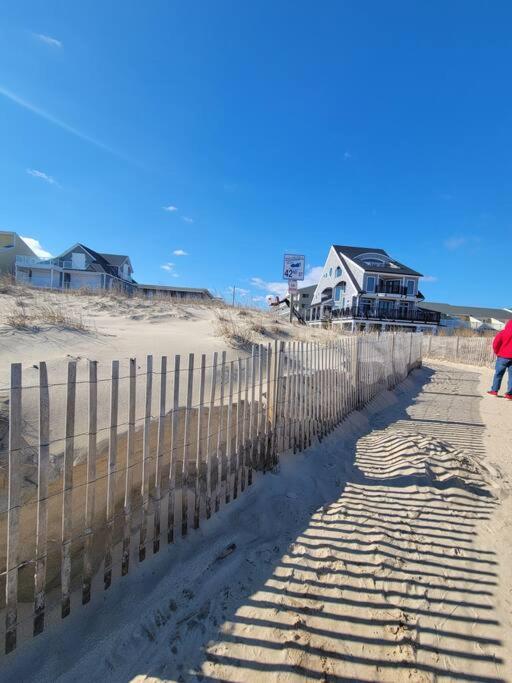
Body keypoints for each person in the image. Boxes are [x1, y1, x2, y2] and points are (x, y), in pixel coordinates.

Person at [487, 319, 512, 399]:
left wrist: (497, 352)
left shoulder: (503, 333)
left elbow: (496, 343)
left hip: (502, 357)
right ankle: (510, 394)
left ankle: (494, 391)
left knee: (498, 374)